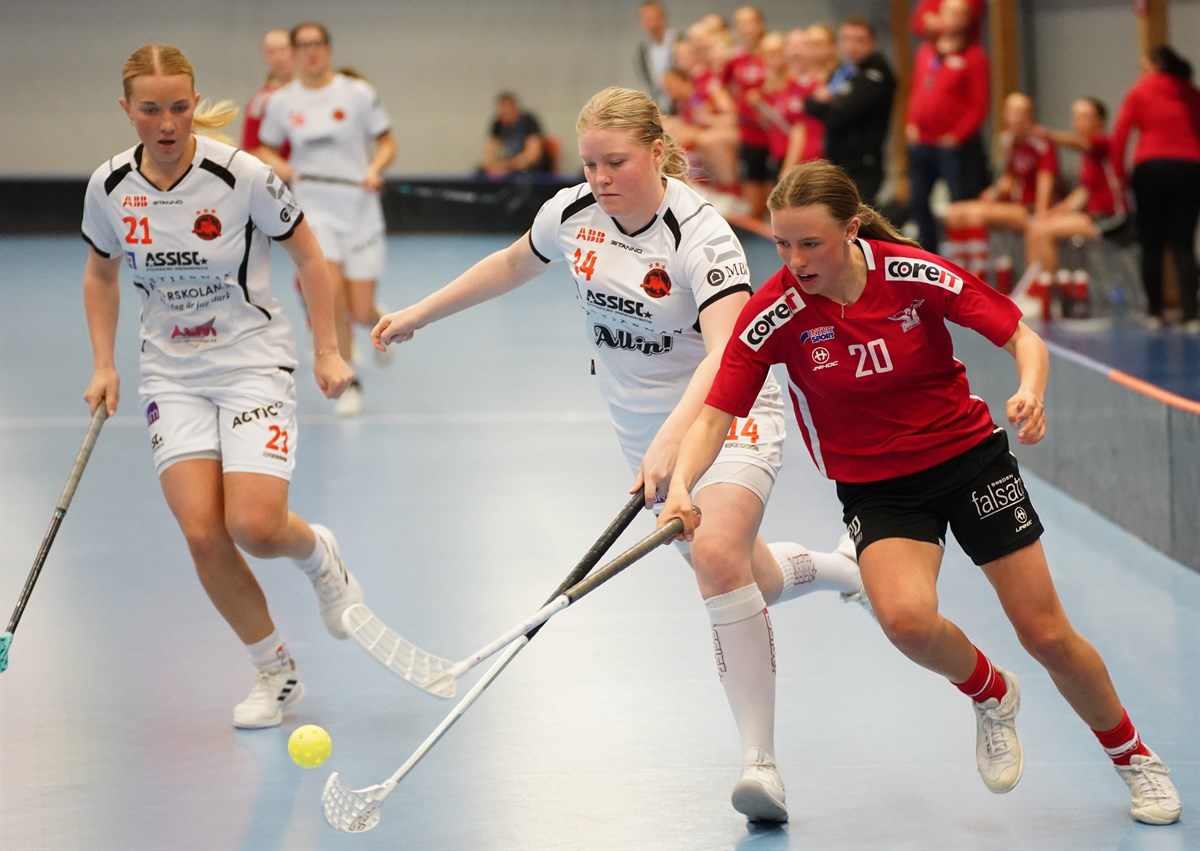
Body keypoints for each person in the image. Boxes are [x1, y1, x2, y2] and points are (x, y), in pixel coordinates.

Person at [371, 87, 869, 824]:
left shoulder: (701, 235)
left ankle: (759, 764)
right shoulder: (573, 212)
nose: (600, 178)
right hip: (639, 429)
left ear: (659, 153)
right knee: (746, 574)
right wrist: (419, 312)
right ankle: (841, 569)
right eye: (590, 163)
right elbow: (513, 263)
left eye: (617, 162)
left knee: (717, 558)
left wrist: (676, 441)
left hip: (728, 410)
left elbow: (727, 354)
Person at [657, 159, 1183, 827]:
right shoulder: (775, 312)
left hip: (969, 462)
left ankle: (1134, 756)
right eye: (782, 243)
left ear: (852, 230)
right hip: (879, 489)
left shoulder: (911, 273)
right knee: (904, 621)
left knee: (1046, 633)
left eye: (810, 243)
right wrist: (683, 485)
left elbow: (1020, 336)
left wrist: (1030, 390)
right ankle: (991, 691)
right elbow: (713, 416)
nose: (794, 260)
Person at [80, 44, 363, 730]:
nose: (167, 122)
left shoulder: (243, 176)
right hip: (169, 371)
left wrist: (327, 350)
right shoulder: (109, 185)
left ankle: (318, 554)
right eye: (151, 109)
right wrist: (103, 363)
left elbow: (310, 257)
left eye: (179, 107)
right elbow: (100, 274)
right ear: (127, 109)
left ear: (195, 103)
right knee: (204, 533)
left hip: (250, 362)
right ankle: (275, 670)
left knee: (256, 526)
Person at [255, 22, 397, 417]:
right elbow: (263, 147)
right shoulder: (282, 101)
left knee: (360, 310)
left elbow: (387, 142)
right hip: (314, 212)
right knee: (331, 296)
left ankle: (380, 319)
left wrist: (375, 169)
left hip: (360, 211)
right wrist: (282, 166)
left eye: (318, 44)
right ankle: (351, 382)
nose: (312, 51)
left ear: (329, 49)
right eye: (304, 45)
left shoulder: (357, 93)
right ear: (295, 53)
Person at [1111, 44, 1200, 331]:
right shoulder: (1191, 93)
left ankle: (1154, 310)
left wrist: (1119, 174)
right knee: (1183, 244)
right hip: (1190, 169)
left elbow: (1120, 135)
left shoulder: (1140, 91)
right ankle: (1191, 313)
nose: (1141, 72)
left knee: (1152, 243)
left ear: (1157, 65)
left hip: (1151, 169)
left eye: (1144, 66)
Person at [1024, 97, 1127, 313]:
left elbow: (1081, 143)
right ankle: (1036, 291)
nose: (1078, 122)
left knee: (1044, 231)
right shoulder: (1088, 158)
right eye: (1076, 117)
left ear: (1099, 121)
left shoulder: (1104, 143)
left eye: (1085, 117)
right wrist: (1051, 213)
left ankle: (1049, 297)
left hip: (1112, 219)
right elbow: (1082, 194)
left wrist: (1047, 134)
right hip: (1092, 217)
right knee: (1036, 225)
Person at [943, 92, 1058, 280]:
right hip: (1012, 204)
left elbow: (1045, 183)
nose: (1016, 119)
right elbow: (1009, 179)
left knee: (975, 215)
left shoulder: (1041, 144)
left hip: (1029, 209)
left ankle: (976, 278)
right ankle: (958, 272)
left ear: (1030, 116)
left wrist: (1040, 214)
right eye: (1012, 112)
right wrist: (994, 192)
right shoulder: (1007, 140)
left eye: (1021, 113)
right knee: (955, 212)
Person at [905, 0, 990, 252]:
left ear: (967, 20)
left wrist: (957, 135)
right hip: (921, 141)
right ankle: (927, 253)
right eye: (948, 13)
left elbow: (979, 105)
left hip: (952, 146)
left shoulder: (973, 57)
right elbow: (916, 91)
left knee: (959, 203)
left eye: (958, 14)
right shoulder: (925, 51)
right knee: (917, 201)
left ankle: (961, 254)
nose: (952, 19)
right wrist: (910, 123)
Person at [803, 15, 897, 205]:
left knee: (857, 212)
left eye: (859, 40)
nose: (852, 46)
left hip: (863, 163)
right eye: (846, 39)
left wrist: (827, 100)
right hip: (837, 158)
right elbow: (810, 105)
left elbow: (839, 115)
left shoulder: (876, 73)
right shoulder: (843, 70)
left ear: (872, 42)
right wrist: (829, 102)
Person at [480, 91, 552, 177]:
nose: (504, 112)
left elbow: (532, 156)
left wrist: (506, 167)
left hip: (532, 169)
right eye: (501, 109)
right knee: (480, 172)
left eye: (507, 108)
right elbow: (488, 154)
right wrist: (493, 167)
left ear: (515, 107)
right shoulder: (498, 123)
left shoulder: (529, 121)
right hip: (509, 165)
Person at [635, 1, 679, 114]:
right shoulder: (644, 51)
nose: (648, 22)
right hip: (660, 106)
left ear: (662, 18)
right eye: (644, 18)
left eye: (651, 17)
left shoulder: (678, 42)